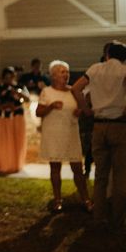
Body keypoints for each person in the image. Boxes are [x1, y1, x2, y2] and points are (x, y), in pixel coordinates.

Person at [72, 41, 126, 230]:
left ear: (108, 54)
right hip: (119, 126)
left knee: (100, 175)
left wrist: (86, 109)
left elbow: (76, 88)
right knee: (120, 176)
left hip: (98, 126)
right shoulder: (124, 71)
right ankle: (117, 220)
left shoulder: (95, 69)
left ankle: (98, 217)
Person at [37, 60, 92, 213]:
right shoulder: (47, 92)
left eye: (67, 72)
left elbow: (83, 107)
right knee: (55, 167)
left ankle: (86, 199)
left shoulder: (73, 91)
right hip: (53, 134)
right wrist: (51, 106)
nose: (66, 75)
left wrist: (79, 112)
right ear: (53, 76)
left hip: (70, 134)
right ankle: (57, 200)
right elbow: (38, 112)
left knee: (77, 168)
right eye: (62, 72)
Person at [0, 66, 29, 173]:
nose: (8, 79)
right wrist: (4, 105)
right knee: (4, 141)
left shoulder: (20, 86)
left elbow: (27, 98)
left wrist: (17, 92)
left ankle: (17, 164)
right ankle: (5, 163)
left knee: (17, 140)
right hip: (4, 117)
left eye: (10, 77)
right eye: (6, 77)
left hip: (17, 116)